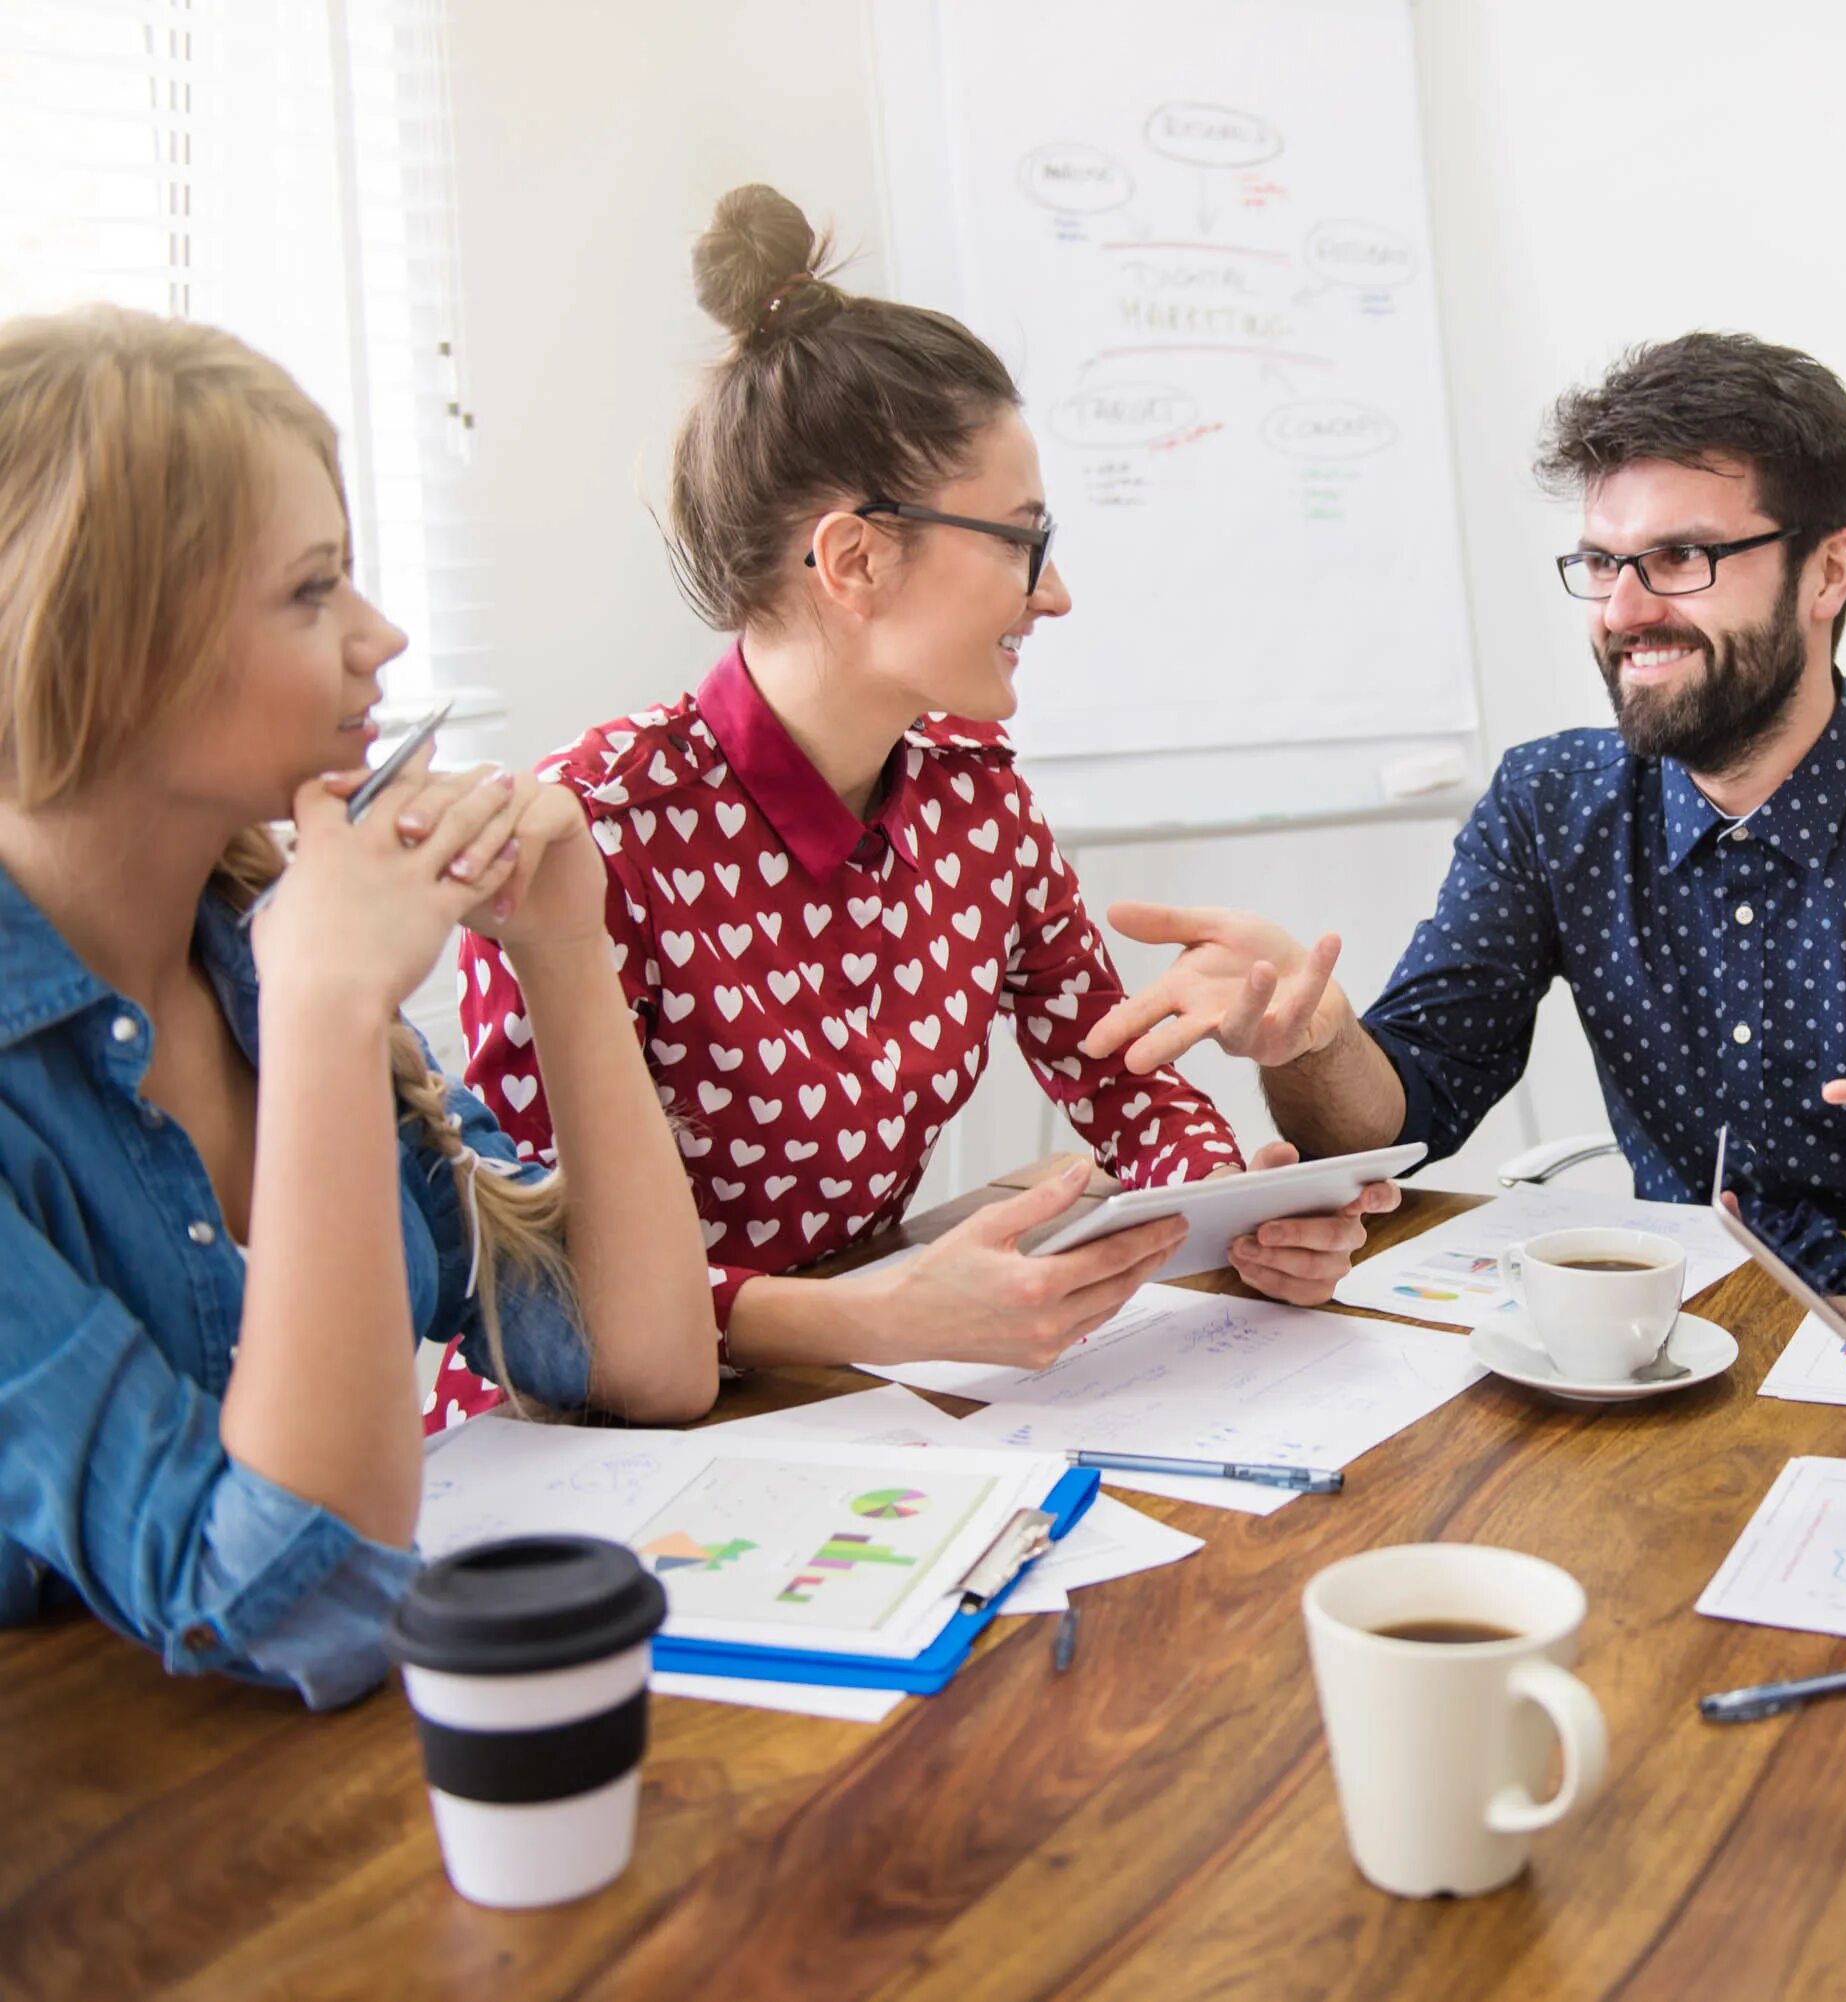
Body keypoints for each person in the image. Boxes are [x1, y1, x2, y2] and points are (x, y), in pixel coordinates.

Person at [457, 186, 1390, 1409]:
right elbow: (531, 1281)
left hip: (847, 1395)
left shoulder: (976, 800)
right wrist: (878, 1315)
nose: (1052, 598)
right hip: (583, 1446)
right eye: (1019, 542)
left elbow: (1116, 1075)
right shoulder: (592, 829)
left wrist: (1231, 1211)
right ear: (854, 559)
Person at [1084, 333, 1846, 1281]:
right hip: (1665, 1343)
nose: (1623, 611)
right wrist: (1313, 1040)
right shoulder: (1552, 801)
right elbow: (1408, 1115)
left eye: (1681, 559)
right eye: (1602, 563)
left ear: (1827, 572)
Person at [0, 309, 718, 1706]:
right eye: (314, 589)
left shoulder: (241, 956)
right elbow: (299, 1603)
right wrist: (329, 1011)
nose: (380, 636)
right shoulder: (300, 980)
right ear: (106, 646)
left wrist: (566, 954)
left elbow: (642, 1360)